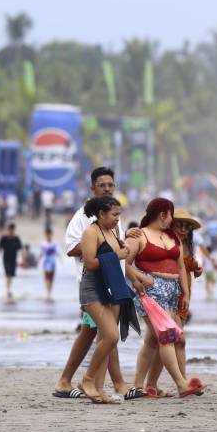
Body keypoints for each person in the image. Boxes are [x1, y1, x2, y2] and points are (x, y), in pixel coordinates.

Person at [53, 167, 138, 399]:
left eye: (111, 184)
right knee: (104, 333)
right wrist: (101, 246)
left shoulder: (111, 217)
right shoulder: (84, 218)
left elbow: (117, 250)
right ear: (92, 188)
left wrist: (133, 274)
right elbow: (73, 248)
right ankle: (108, 383)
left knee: (96, 332)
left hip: (113, 283)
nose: (108, 188)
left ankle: (91, 385)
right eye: (103, 185)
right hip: (94, 284)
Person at [125, 198, 206, 398]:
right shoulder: (139, 235)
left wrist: (185, 293)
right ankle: (181, 384)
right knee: (167, 337)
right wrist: (140, 278)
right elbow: (122, 263)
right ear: (163, 214)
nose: (173, 220)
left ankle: (139, 386)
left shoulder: (172, 237)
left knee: (154, 341)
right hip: (150, 292)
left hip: (172, 292)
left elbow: (180, 267)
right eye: (171, 215)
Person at [77, 196, 132, 404]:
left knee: (104, 340)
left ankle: (99, 390)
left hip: (110, 288)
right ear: (101, 214)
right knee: (111, 336)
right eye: (114, 215)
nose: (118, 219)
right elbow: (90, 262)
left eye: (119, 215)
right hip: (91, 289)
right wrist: (117, 255)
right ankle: (87, 379)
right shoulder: (91, 232)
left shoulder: (112, 231)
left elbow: (118, 251)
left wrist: (124, 247)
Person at [143, 209, 202, 396]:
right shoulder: (165, 242)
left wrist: (196, 269)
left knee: (158, 342)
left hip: (182, 298)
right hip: (167, 298)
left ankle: (151, 385)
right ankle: (181, 383)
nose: (184, 229)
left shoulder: (187, 245)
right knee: (174, 341)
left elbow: (185, 268)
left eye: (187, 226)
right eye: (180, 224)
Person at [0, 223, 22, 300]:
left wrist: (23, 260)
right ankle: (8, 290)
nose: (11, 231)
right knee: (8, 274)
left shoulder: (16, 238)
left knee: (11, 275)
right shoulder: (3, 238)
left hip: (14, 259)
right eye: (10, 229)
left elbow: (20, 250)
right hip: (6, 259)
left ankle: (9, 289)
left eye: (12, 229)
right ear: (8, 229)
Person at [38, 228, 59, 302]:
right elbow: (41, 253)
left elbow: (58, 252)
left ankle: (49, 293)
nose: (48, 236)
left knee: (51, 278)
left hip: (53, 262)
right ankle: (48, 293)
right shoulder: (43, 244)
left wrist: (60, 260)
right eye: (47, 235)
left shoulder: (54, 244)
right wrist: (38, 260)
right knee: (47, 277)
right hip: (46, 262)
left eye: (49, 234)